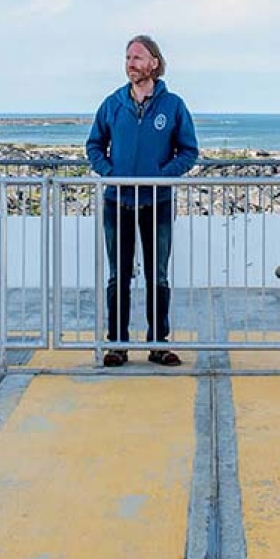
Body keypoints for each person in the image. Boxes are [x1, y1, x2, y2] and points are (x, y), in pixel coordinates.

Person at [85, 34, 200, 366]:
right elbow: (93, 145)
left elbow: (189, 151)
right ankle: (117, 344)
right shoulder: (112, 103)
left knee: (157, 275)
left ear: (154, 63)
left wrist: (162, 176)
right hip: (116, 201)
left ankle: (158, 343)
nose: (130, 63)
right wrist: (110, 173)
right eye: (127, 58)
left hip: (158, 202)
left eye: (137, 57)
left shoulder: (173, 105)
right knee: (118, 275)